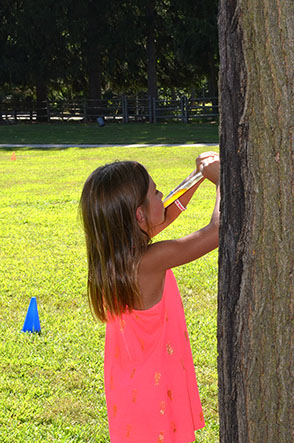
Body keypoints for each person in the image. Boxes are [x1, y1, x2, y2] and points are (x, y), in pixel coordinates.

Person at [80, 152, 220, 443]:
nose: (161, 195)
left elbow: (169, 211)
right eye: (156, 191)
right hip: (153, 388)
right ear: (139, 216)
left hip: (130, 387)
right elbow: (218, 231)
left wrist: (196, 177)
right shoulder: (148, 261)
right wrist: (221, 181)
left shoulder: (116, 257)